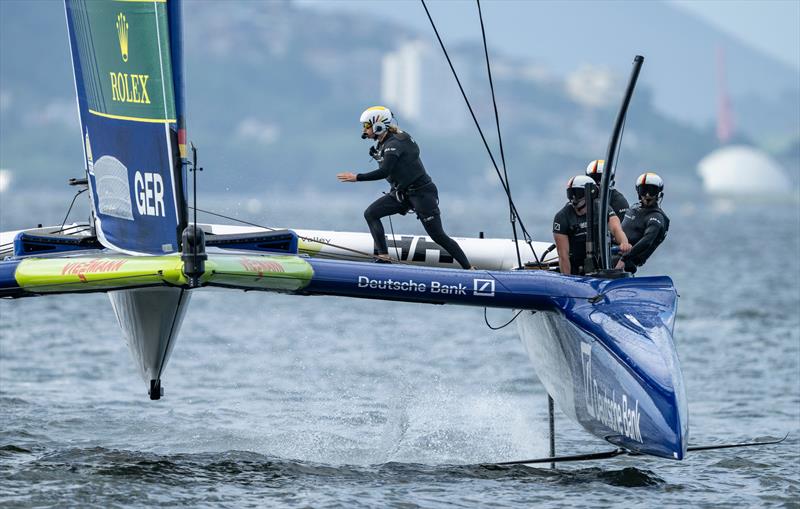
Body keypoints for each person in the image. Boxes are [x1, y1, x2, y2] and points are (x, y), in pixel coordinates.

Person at [337, 106, 473, 269]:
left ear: (378, 125)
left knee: (438, 235)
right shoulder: (384, 142)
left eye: (366, 126)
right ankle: (384, 257)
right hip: (402, 193)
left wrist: (357, 177)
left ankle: (469, 268)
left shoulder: (396, 142)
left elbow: (385, 171)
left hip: (422, 194)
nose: (364, 130)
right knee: (371, 214)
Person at [553, 175, 631, 276]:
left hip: (601, 263)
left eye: (577, 193)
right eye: (571, 194)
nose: (574, 198)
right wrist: (567, 280)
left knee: (620, 261)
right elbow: (563, 255)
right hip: (576, 266)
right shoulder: (562, 217)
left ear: (590, 193)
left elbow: (616, 229)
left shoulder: (603, 209)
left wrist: (624, 243)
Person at [616, 172, 670, 274]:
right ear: (638, 192)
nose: (647, 195)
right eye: (644, 190)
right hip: (611, 251)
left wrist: (624, 259)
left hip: (625, 262)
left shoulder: (657, 217)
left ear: (659, 193)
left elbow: (647, 240)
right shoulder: (634, 208)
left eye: (652, 191)